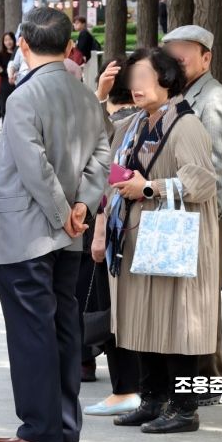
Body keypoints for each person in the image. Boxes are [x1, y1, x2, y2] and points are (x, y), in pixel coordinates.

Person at [0, 7, 110, 442]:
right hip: (68, 235)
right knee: (62, 330)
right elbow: (102, 153)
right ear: (69, 46)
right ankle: (62, 427)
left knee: (31, 334)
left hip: (27, 234)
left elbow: (34, 167)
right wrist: (81, 206)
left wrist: (65, 212)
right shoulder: (85, 96)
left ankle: (38, 430)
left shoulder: (23, 97)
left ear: (22, 44)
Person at [104, 48, 218, 434]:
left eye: (142, 78)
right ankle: (153, 400)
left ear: (167, 79)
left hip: (174, 238)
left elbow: (201, 182)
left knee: (177, 321)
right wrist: (103, 97)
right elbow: (105, 146)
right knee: (145, 318)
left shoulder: (186, 125)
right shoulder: (138, 122)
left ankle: (184, 409)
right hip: (143, 237)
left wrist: (148, 187)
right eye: (132, 79)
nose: (134, 86)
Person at [163, 24, 222, 406]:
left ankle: (213, 379)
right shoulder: (181, 94)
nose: (176, 58)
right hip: (187, 210)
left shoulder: (215, 99)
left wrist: (206, 220)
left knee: (204, 298)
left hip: (209, 214)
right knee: (200, 299)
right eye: (171, 51)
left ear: (206, 58)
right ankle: (212, 375)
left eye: (184, 53)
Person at [82, 58, 142, 417]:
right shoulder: (133, 123)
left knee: (124, 312)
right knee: (119, 311)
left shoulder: (165, 122)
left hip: (133, 229)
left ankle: (131, 388)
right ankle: (129, 388)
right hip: (122, 228)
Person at [0, 32, 16, 127]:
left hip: (17, 83)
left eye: (10, 39)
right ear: (3, 42)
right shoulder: (0, 55)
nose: (8, 42)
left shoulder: (18, 53)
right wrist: (3, 72)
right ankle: (5, 128)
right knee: (5, 108)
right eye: (6, 40)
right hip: (5, 84)